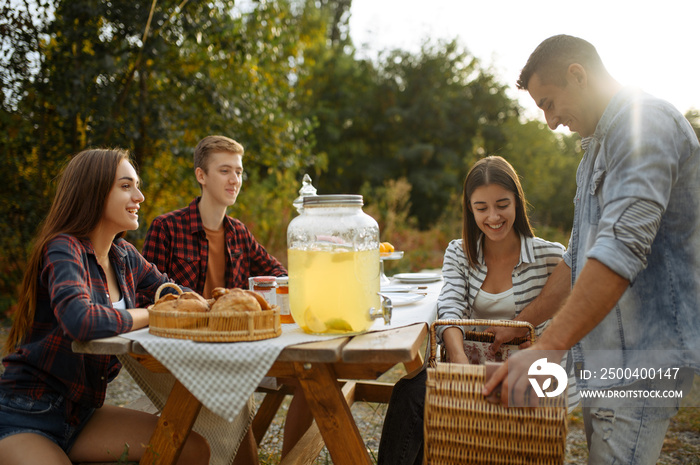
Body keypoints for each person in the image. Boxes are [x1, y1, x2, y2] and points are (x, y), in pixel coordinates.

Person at [483, 34, 700, 464]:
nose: (548, 120)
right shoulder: (594, 151)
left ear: (577, 75)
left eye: (548, 102)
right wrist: (522, 326)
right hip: (604, 357)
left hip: (642, 362)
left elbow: (622, 246)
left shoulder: (647, 124)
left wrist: (547, 349)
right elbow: (578, 256)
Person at [0, 149, 209, 465]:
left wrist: (218, 303)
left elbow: (179, 295)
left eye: (136, 185)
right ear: (94, 192)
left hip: (81, 414)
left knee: (192, 449)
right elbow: (81, 320)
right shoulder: (63, 248)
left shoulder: (123, 255)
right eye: (126, 186)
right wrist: (152, 314)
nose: (139, 195)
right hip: (26, 412)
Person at [377, 155, 578, 465]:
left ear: (517, 203)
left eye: (502, 205)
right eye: (481, 208)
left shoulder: (550, 256)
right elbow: (451, 305)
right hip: (467, 367)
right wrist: (457, 362)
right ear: (470, 210)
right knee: (411, 393)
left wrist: (539, 343)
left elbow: (571, 313)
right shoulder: (459, 252)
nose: (493, 217)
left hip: (522, 377)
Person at [138, 135, 310, 463]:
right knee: (236, 425)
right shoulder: (167, 228)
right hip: (188, 354)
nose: (235, 180)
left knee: (314, 375)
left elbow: (279, 275)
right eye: (225, 170)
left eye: (240, 172)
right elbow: (147, 300)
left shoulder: (238, 232)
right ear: (201, 175)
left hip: (240, 348)